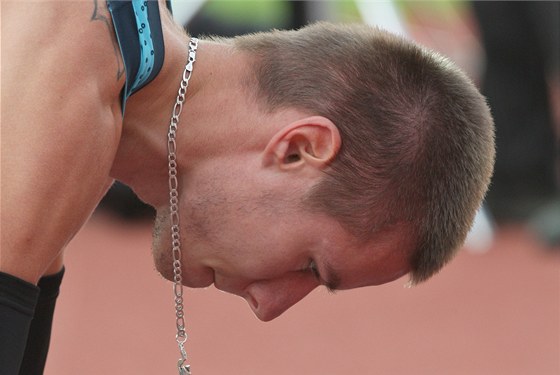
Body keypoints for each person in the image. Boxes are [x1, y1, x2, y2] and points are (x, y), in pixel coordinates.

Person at [1, 0, 495, 373]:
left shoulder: (106, 69)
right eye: (310, 266)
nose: (269, 307)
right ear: (298, 148)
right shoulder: (67, 66)